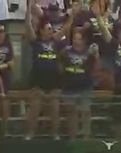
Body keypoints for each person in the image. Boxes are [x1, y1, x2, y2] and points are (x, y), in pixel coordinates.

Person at [24, 5, 72, 140]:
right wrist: (28, 8)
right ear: (42, 31)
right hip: (38, 81)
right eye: (49, 29)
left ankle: (54, 134)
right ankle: (30, 133)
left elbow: (66, 28)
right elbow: (28, 25)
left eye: (51, 29)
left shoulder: (55, 41)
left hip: (53, 81)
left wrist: (72, 14)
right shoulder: (36, 42)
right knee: (34, 108)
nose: (51, 31)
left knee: (55, 109)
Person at [60, 30, 99, 138]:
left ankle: (86, 137)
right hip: (69, 88)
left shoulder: (89, 52)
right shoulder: (65, 52)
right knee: (71, 113)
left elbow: (96, 67)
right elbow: (59, 66)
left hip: (85, 87)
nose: (76, 41)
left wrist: (96, 55)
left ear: (84, 40)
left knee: (86, 111)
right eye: (74, 39)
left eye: (79, 39)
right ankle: (72, 137)